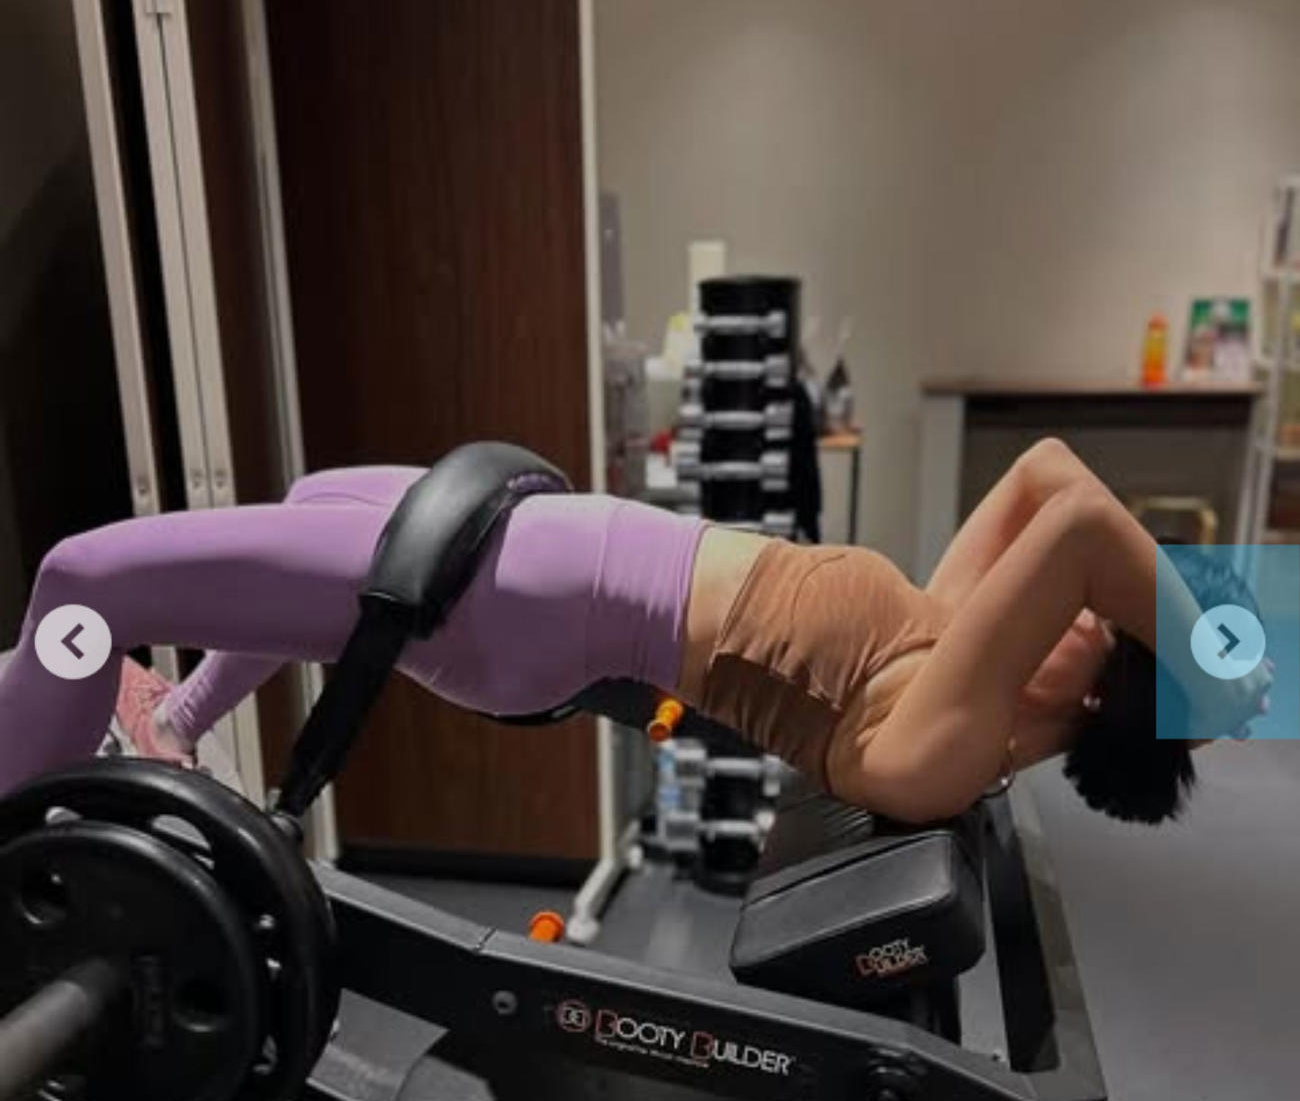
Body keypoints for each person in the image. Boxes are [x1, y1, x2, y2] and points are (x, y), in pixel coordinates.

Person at [0, 441, 1269, 824]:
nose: (1074, 609)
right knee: (305, 500)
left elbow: (1082, 527)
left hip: (495, 606)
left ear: (1101, 697)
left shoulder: (942, 752)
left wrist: (1234, 668)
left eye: (1099, 629)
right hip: (519, 537)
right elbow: (1047, 472)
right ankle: (173, 723)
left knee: (80, 583)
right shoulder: (947, 641)